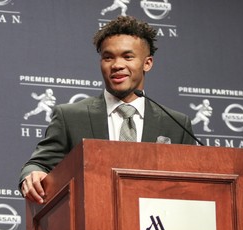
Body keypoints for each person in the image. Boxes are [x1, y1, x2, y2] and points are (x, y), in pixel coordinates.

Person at [19, 16, 196, 204]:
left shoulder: (176, 124)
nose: (117, 65)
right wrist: (33, 175)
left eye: (128, 57)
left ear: (147, 63)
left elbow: (193, 184)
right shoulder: (70, 117)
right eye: (108, 57)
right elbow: (39, 164)